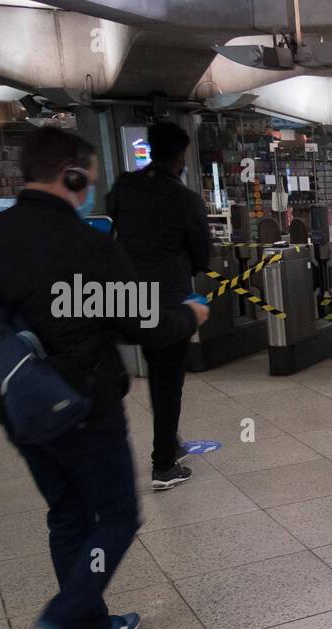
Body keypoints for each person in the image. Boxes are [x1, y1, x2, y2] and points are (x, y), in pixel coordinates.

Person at [0, 126, 208, 629]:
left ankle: (90, 627)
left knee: (67, 513)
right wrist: (189, 314)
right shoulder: (88, 245)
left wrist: (28, 366)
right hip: (87, 406)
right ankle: (62, 617)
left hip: (21, 405)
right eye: (87, 180)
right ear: (72, 174)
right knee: (117, 515)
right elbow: (144, 323)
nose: (90, 190)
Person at [107, 121, 211, 490]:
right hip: (169, 300)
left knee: (152, 373)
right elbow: (202, 254)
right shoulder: (185, 199)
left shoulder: (124, 186)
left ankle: (168, 444)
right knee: (168, 380)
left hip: (130, 293)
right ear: (181, 156)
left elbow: (109, 225)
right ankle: (164, 464)